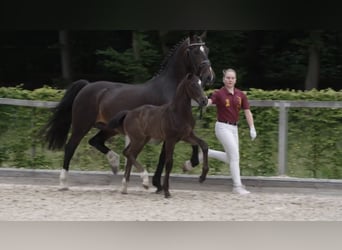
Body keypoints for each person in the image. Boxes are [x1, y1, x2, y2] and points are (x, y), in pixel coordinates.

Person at [183, 68, 257, 195]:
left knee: (231, 158)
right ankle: (237, 186)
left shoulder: (240, 95)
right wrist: (204, 101)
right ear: (224, 79)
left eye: (232, 78)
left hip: (234, 128)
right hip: (222, 127)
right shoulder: (219, 93)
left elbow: (247, 111)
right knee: (235, 156)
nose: (230, 80)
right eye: (228, 78)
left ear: (235, 80)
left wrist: (252, 127)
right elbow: (209, 102)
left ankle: (207, 153)